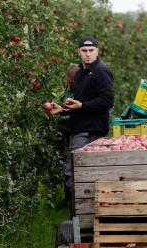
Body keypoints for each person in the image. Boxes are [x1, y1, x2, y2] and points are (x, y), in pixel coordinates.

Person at [48, 36, 114, 212]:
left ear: (97, 51)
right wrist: (62, 109)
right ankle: (79, 216)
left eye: (91, 50)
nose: (88, 54)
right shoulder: (80, 74)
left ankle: (80, 216)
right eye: (84, 51)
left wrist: (82, 105)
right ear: (78, 52)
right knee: (79, 174)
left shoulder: (101, 71)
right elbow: (80, 103)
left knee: (74, 174)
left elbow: (108, 100)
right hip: (79, 130)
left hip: (90, 132)